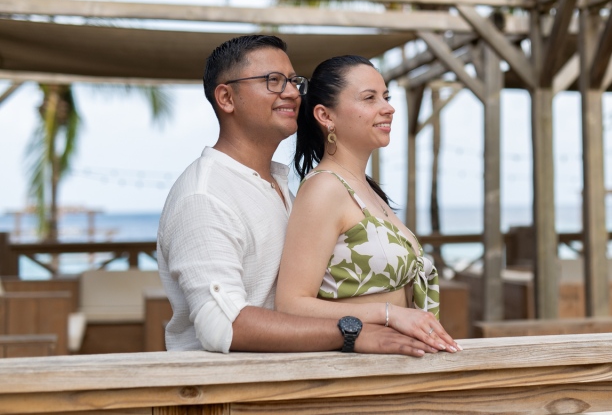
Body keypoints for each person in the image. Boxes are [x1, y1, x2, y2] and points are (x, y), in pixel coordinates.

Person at [157, 35, 430, 356]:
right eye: (272, 81)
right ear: (226, 97)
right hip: (227, 397)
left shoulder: (279, 184)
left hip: (286, 383)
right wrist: (354, 332)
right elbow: (223, 325)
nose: (291, 92)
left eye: (292, 81)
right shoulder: (204, 195)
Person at [275, 55, 460, 353]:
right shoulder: (324, 188)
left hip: (397, 364)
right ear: (326, 116)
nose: (388, 108)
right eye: (369, 98)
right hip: (357, 370)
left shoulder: (367, 190)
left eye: (386, 97)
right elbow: (290, 305)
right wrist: (389, 313)